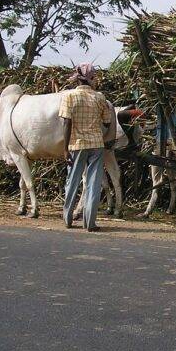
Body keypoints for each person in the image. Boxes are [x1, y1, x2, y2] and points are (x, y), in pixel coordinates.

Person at [59, 63, 114, 230]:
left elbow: (66, 123)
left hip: (76, 145)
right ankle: (90, 223)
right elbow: (107, 121)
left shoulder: (69, 97)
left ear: (78, 79)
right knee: (93, 183)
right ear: (90, 79)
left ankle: (67, 219)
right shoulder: (99, 97)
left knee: (73, 181)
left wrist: (65, 148)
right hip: (97, 144)